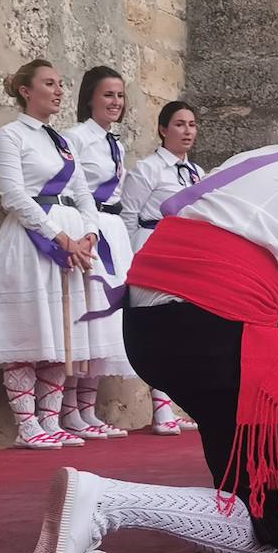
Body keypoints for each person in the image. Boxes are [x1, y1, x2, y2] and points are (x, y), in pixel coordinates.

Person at [30, 65, 278, 553]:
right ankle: (105, 502)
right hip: (211, 329)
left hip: (149, 326)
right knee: (271, 536)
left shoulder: (260, 157)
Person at [0, 60, 99, 450]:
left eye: (61, 84)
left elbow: (83, 193)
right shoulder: (11, 136)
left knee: (59, 332)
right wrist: (60, 237)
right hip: (32, 239)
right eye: (49, 83)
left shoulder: (61, 141)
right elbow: (13, 195)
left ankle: (50, 419)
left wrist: (89, 234)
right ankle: (27, 424)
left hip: (71, 241)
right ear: (26, 91)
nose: (59, 91)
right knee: (29, 328)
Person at [119, 100, 204, 435]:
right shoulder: (149, 169)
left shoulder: (196, 172)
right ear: (163, 129)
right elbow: (128, 214)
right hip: (153, 244)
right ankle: (160, 408)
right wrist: (128, 259)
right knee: (159, 322)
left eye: (192, 124)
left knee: (184, 326)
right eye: (180, 124)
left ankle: (175, 403)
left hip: (185, 250)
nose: (187, 131)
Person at [59, 66, 133, 439]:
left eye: (119, 95)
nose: (115, 102)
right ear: (90, 97)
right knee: (86, 316)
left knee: (106, 320)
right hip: (90, 228)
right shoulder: (76, 137)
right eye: (107, 95)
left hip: (114, 231)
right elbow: (73, 186)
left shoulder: (116, 143)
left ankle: (87, 410)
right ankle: (69, 410)